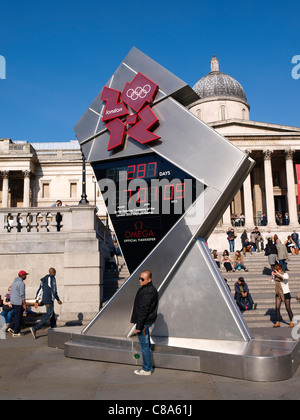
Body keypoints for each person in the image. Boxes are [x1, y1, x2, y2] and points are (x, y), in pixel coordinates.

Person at [130, 270, 158, 376]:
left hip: (144, 324)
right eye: (139, 278)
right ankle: (146, 368)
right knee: (146, 345)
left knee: (144, 346)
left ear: (149, 279)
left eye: (142, 279)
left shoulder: (148, 291)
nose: (140, 280)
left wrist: (139, 325)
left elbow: (144, 310)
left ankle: (146, 369)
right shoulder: (146, 288)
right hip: (144, 322)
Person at [30, 268, 62, 339]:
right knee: (48, 315)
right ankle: (35, 328)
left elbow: (40, 290)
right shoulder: (52, 278)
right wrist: (58, 299)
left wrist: (37, 300)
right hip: (49, 300)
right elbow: (54, 290)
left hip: (45, 299)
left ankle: (55, 330)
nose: (55, 274)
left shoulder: (44, 279)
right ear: (53, 273)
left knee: (52, 315)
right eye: (55, 273)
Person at [272, 264, 294, 328]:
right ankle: (278, 322)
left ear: (281, 269)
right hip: (278, 293)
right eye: (275, 270)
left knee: (288, 308)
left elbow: (285, 278)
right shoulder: (276, 276)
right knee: (277, 307)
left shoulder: (285, 274)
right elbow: (271, 281)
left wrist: (278, 274)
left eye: (277, 270)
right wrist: (273, 275)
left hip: (285, 293)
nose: (276, 271)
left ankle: (292, 321)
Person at [8, 270, 28, 337]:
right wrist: (24, 304)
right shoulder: (21, 283)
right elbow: (22, 295)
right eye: (25, 275)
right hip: (18, 302)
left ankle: (11, 327)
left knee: (16, 315)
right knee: (18, 317)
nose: (26, 276)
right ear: (22, 275)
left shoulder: (13, 283)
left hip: (13, 301)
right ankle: (16, 332)